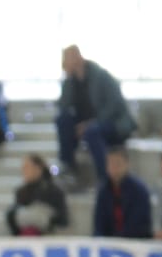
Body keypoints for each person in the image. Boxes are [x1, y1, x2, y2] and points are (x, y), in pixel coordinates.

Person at [56, 45, 136, 180]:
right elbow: (63, 106)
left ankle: (104, 177)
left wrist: (90, 124)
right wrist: (68, 81)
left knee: (92, 131)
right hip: (85, 125)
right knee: (63, 120)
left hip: (112, 124)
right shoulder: (71, 81)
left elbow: (115, 105)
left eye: (66, 59)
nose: (64, 63)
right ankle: (68, 166)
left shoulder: (101, 76)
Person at [90, 149, 152, 240]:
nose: (114, 167)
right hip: (108, 243)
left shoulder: (139, 190)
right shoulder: (103, 191)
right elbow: (99, 223)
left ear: (127, 164)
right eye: (110, 164)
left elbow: (139, 225)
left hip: (135, 242)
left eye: (117, 163)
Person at [7, 155, 68, 237]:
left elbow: (62, 219)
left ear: (38, 169)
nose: (23, 171)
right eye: (23, 168)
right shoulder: (21, 192)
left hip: (48, 236)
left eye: (27, 167)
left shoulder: (53, 191)